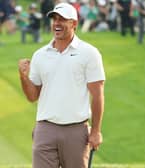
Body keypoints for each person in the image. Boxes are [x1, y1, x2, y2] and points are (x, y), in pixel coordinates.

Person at [18, 2, 105, 168]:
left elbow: (98, 94)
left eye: (62, 19)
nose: (56, 23)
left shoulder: (89, 53)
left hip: (76, 130)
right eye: (54, 19)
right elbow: (32, 96)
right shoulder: (40, 55)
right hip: (45, 129)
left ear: (74, 24)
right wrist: (23, 77)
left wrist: (95, 131)